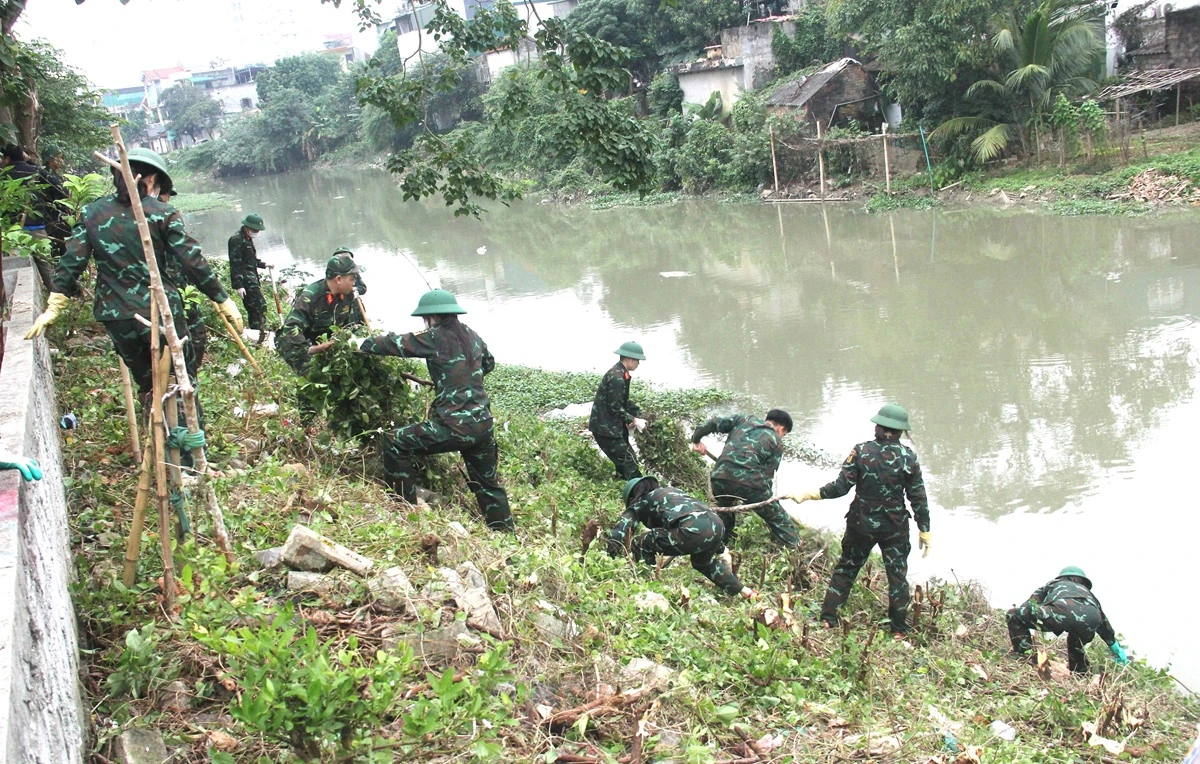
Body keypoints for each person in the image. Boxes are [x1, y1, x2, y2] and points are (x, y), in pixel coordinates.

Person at [25, 147, 241, 401]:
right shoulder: (163, 213)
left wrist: (55, 304)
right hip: (162, 312)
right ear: (150, 180)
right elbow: (191, 261)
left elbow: (72, 260)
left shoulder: (92, 213)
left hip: (117, 315)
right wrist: (222, 298)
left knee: (148, 384)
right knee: (182, 383)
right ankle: (188, 437)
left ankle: (155, 425)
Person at [353, 289, 513, 532]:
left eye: (425, 319)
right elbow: (488, 363)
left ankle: (404, 509)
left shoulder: (435, 337)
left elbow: (396, 344)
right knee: (488, 484)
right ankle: (506, 535)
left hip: (452, 427)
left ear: (433, 317)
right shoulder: (473, 336)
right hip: (483, 426)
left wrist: (361, 343)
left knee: (395, 443)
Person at [788, 403, 930, 637]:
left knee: (847, 567)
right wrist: (924, 529)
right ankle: (899, 630)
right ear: (900, 431)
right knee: (897, 575)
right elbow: (918, 498)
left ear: (879, 427)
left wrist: (810, 494)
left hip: (860, 524)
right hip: (894, 527)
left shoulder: (861, 451)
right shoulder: (909, 458)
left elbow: (840, 487)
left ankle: (828, 618)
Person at [606, 475, 756, 599]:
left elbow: (622, 527)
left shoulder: (642, 501)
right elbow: (703, 521)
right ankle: (745, 592)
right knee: (703, 563)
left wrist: (610, 556)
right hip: (718, 525)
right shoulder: (673, 492)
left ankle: (647, 582)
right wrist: (721, 550)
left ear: (633, 496)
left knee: (639, 543)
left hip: (691, 530)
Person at [692, 409, 797, 548]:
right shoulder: (776, 441)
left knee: (725, 510)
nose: (782, 437)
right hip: (749, 484)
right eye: (784, 434)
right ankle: (795, 550)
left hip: (719, 478)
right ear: (781, 429)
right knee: (779, 519)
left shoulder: (742, 419)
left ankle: (720, 546)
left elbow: (713, 422)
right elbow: (766, 477)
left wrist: (696, 440)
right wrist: (764, 502)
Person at [1007, 566, 1129, 674]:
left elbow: (1030, 605)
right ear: (1083, 581)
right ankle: (1080, 673)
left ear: (1062, 578)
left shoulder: (1053, 584)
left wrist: (1031, 621)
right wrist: (1117, 651)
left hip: (1060, 612)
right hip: (1091, 618)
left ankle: (1024, 657)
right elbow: (1104, 625)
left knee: (1013, 615)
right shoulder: (1090, 596)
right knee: (1076, 644)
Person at [276, 253, 365, 374]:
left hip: (326, 341)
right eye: (352, 278)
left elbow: (349, 326)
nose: (355, 283)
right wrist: (315, 349)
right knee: (314, 375)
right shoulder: (311, 297)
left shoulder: (348, 295)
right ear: (338, 279)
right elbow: (291, 329)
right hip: (300, 345)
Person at [2, 144, 66, 290]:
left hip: (14, 232)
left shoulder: (4, 175)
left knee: (20, 266)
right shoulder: (35, 171)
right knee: (47, 267)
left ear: (7, 158)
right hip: (37, 227)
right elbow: (58, 186)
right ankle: (56, 299)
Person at [588, 341, 647, 480]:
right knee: (630, 462)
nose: (638, 363)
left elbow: (623, 401)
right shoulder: (617, 378)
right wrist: (633, 420)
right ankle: (640, 491)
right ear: (628, 359)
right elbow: (615, 407)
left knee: (625, 461)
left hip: (612, 427)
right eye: (637, 360)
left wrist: (638, 414)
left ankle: (621, 482)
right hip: (606, 429)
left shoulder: (621, 373)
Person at [228, 213, 269, 343]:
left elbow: (250, 259)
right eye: (255, 230)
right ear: (247, 226)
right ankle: (259, 335)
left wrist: (263, 264)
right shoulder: (236, 239)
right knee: (257, 307)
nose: (256, 232)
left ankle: (259, 334)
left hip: (252, 279)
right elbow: (235, 263)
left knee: (257, 308)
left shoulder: (247, 238)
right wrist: (239, 284)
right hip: (245, 281)